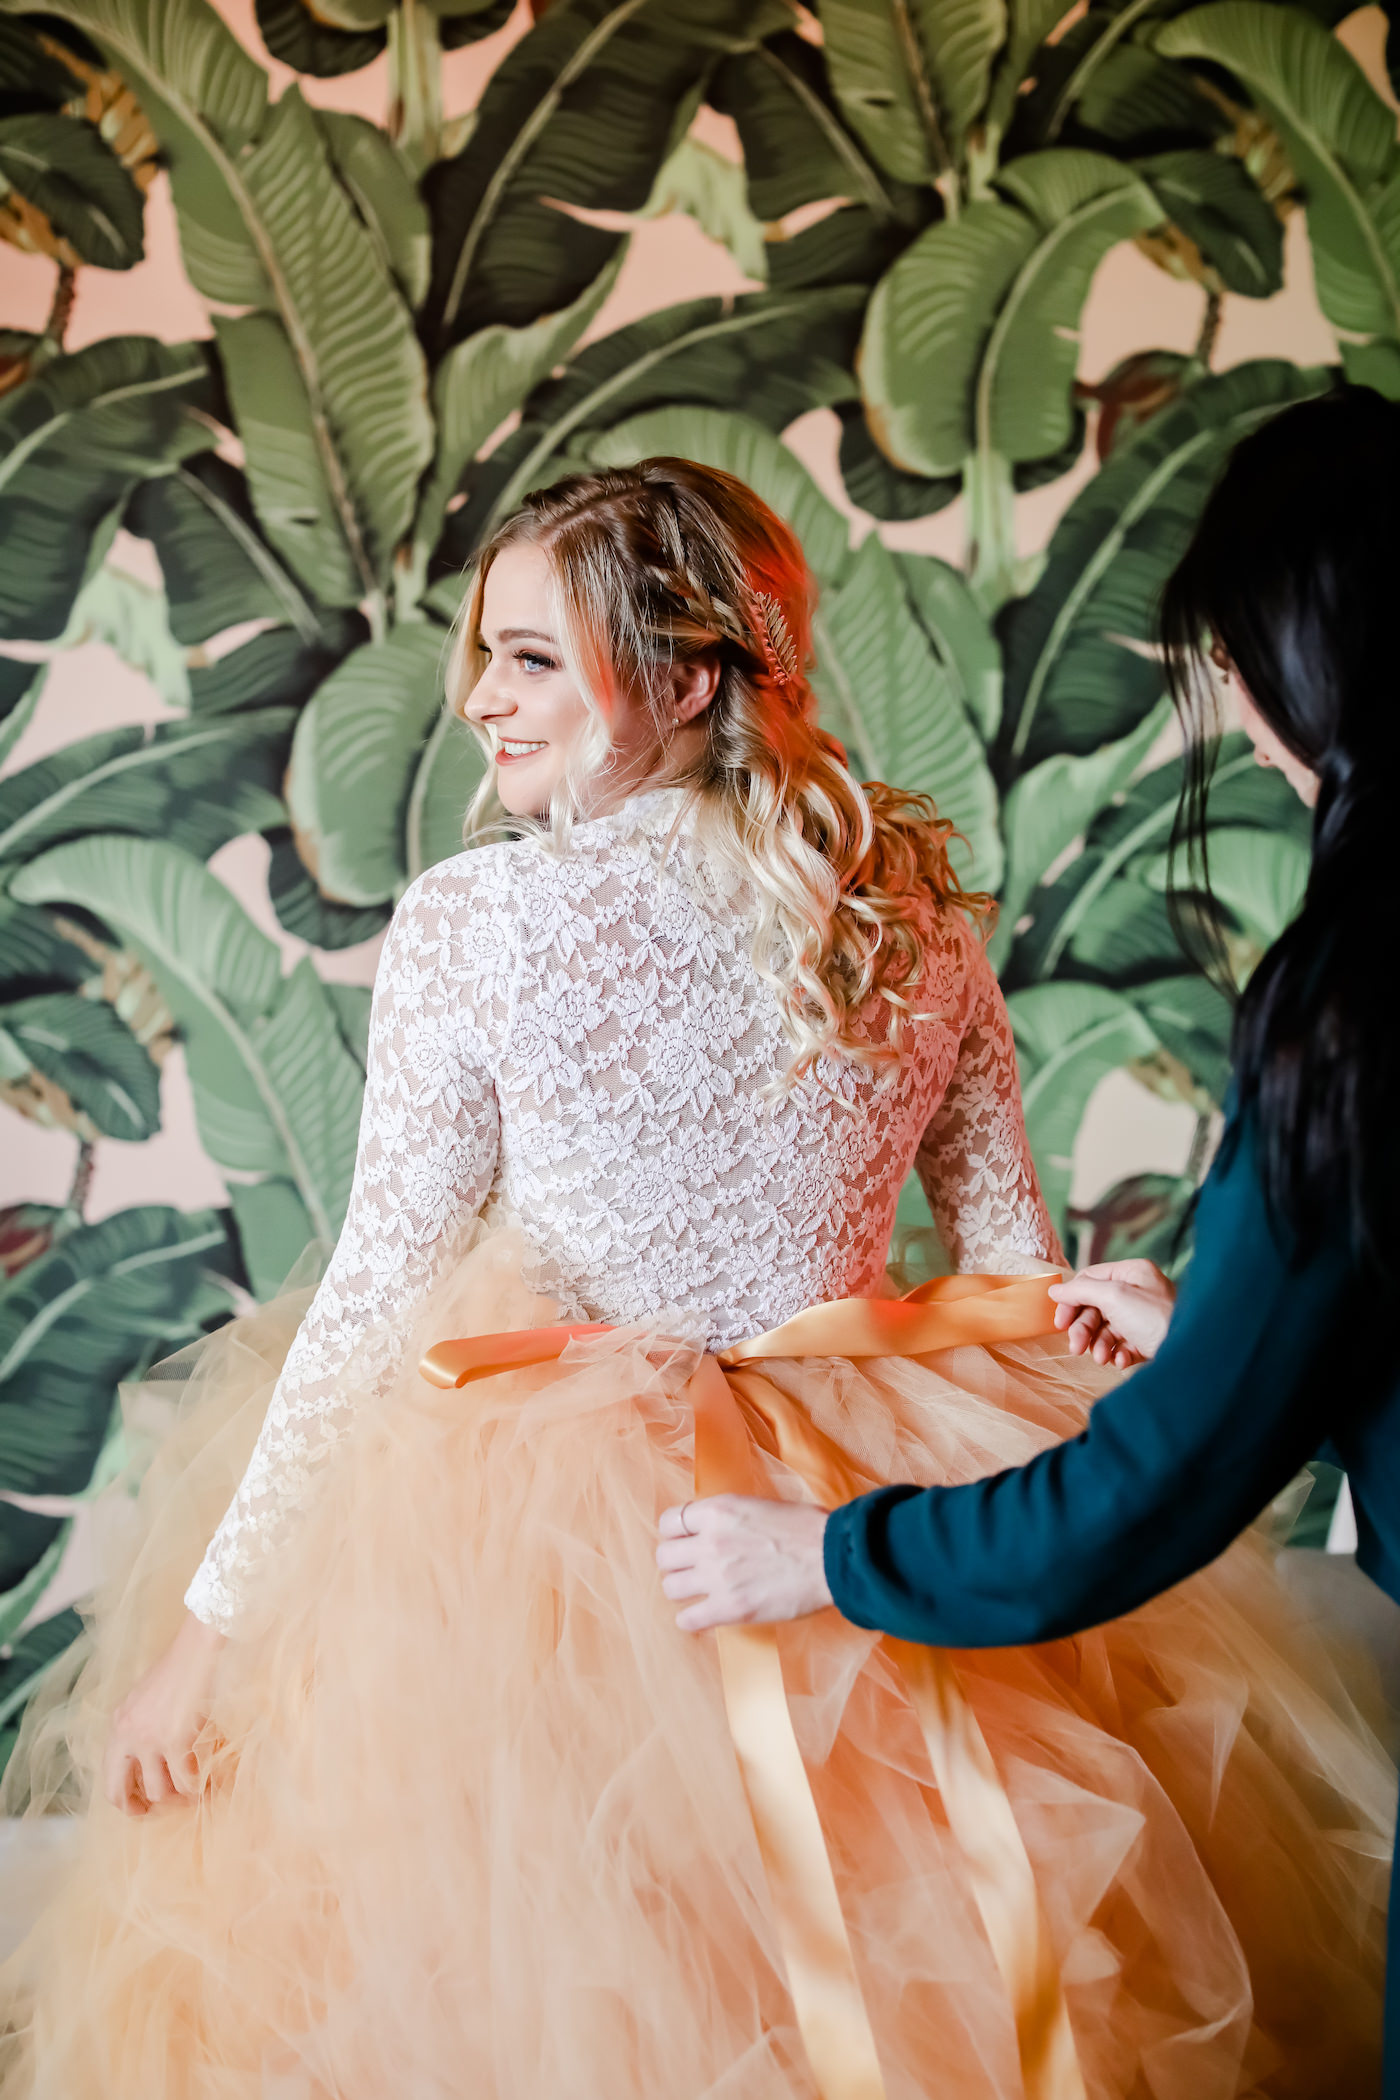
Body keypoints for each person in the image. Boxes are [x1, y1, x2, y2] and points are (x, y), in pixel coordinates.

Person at [1, 459, 1390, 2100]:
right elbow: (1016, 1268)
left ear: (680, 677)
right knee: (932, 1952)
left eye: (532, 659)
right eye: (483, 657)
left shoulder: (475, 924)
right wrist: (1109, 1372)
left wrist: (208, 1640)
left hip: (564, 1540)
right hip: (891, 1454)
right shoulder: (912, 909)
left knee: (562, 1972)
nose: (481, 706)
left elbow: (378, 1294)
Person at [660, 390, 1400, 2090]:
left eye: (1240, 668)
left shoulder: (1358, 993)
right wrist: (1225, 1331)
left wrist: (831, 1557)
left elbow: (1161, 1484)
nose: (1246, 725)